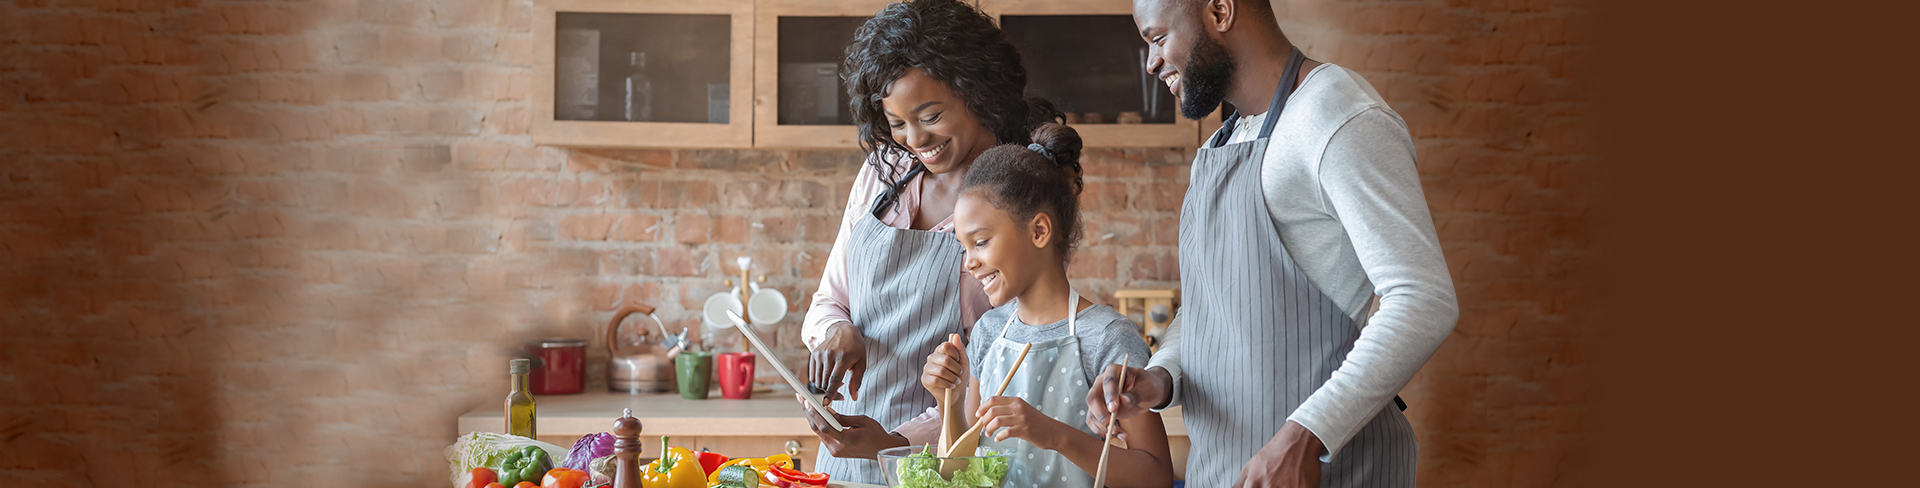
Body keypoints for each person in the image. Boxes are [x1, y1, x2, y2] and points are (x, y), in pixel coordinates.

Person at [1087, 1, 1460, 487]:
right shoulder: (1218, 147)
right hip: (1223, 471)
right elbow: (1209, 312)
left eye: (1158, 39)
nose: (1151, 62)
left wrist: (1306, 435)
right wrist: (1159, 378)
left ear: (1220, 11)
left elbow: (1423, 300)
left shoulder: (1336, 114)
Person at [796, 0, 1062, 483]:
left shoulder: (1013, 194)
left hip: (940, 464)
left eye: (930, 114)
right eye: (897, 123)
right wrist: (833, 335)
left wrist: (896, 444)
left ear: (977, 92)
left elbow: (1007, 373)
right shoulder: (884, 171)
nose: (914, 138)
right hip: (844, 457)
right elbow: (828, 300)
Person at [918, 124, 1173, 488]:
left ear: (1039, 231)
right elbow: (965, 470)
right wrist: (949, 401)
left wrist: (1052, 434)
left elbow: (1156, 476)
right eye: (964, 247)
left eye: (982, 242)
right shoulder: (989, 331)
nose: (969, 262)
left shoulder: (1105, 337)